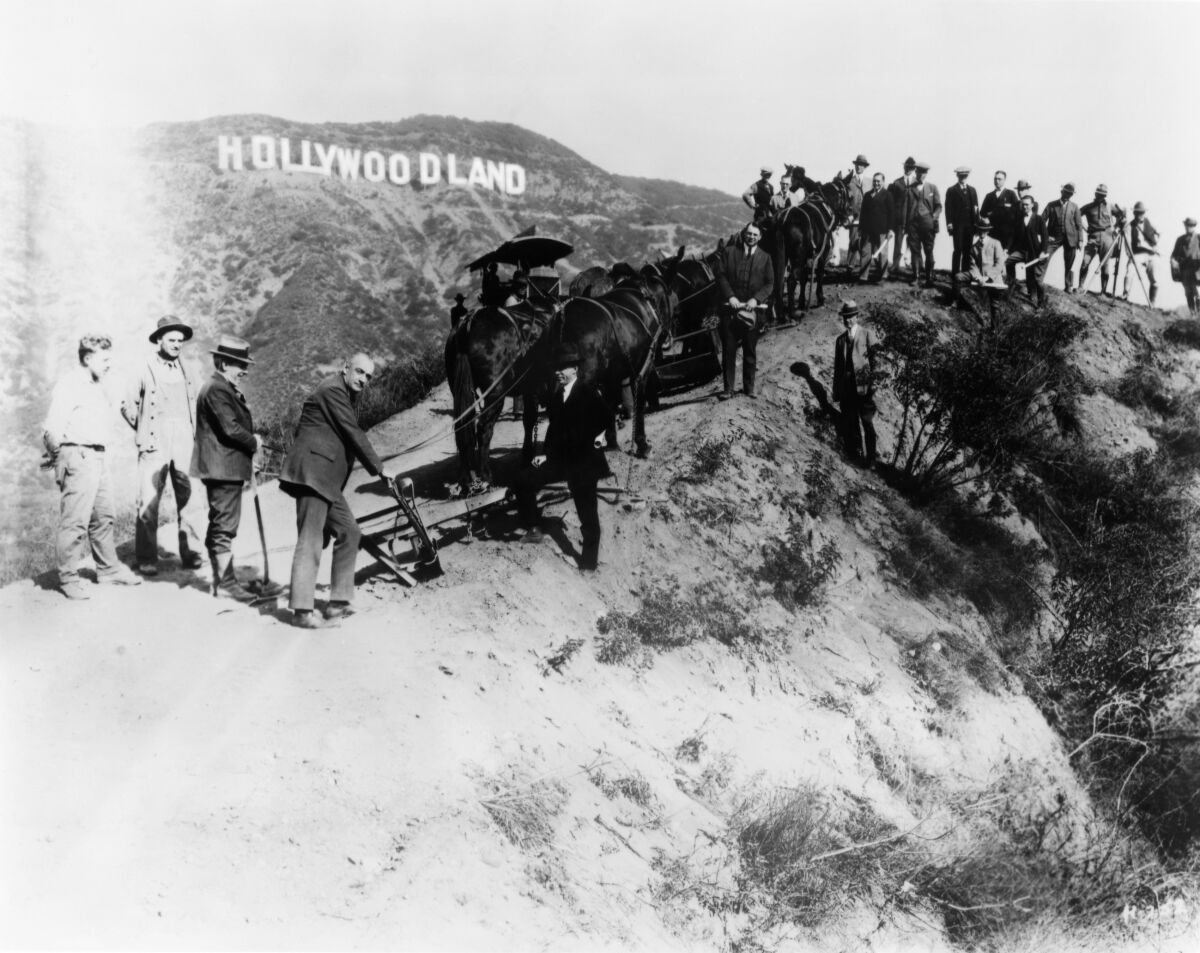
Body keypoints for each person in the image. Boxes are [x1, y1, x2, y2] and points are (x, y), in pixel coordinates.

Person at [279, 353, 390, 628]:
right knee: (311, 539)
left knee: (350, 532)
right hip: (314, 476)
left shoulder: (341, 393)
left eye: (368, 376)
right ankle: (302, 611)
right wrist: (380, 469)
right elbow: (352, 431)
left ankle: (338, 603)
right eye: (360, 372)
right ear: (345, 368)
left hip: (325, 480)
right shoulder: (332, 390)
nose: (363, 380)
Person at [43, 334, 142, 599]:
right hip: (77, 456)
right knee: (75, 521)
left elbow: (121, 406)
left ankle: (108, 570)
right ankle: (68, 578)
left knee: (104, 516)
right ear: (88, 358)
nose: (110, 364)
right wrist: (61, 458)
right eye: (105, 359)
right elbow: (52, 429)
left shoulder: (100, 384)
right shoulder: (70, 384)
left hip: (98, 456)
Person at [514, 345, 611, 572]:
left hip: (584, 462)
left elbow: (606, 417)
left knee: (587, 513)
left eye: (563, 368)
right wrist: (544, 454)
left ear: (575, 369)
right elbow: (554, 430)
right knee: (523, 479)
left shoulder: (587, 391)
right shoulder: (558, 396)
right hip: (561, 460)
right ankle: (534, 528)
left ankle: (588, 563)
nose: (558, 372)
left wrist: (592, 439)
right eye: (556, 368)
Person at [120, 315, 204, 576]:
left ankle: (191, 553)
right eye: (172, 340)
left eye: (180, 340)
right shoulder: (144, 369)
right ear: (159, 340)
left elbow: (200, 403)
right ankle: (146, 557)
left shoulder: (190, 370)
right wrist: (144, 428)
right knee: (148, 499)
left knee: (190, 498)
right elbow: (127, 404)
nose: (177, 344)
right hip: (154, 442)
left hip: (185, 441)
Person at [191, 335, 261, 602]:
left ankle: (224, 580)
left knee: (220, 524)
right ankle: (227, 585)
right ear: (223, 363)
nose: (244, 370)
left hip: (224, 466)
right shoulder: (217, 389)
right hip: (222, 469)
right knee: (224, 527)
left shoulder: (221, 387)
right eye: (238, 364)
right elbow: (231, 429)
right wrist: (254, 442)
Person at [715, 223, 774, 400]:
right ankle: (728, 389)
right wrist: (730, 296)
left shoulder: (766, 258)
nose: (751, 237)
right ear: (743, 234)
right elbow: (720, 275)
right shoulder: (729, 252)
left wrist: (755, 299)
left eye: (755, 235)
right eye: (748, 234)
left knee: (749, 350)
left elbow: (770, 283)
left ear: (760, 237)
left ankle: (749, 388)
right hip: (730, 311)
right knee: (729, 350)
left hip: (752, 313)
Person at [831, 301, 877, 465]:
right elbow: (838, 368)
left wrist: (874, 384)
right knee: (851, 420)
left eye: (850, 317)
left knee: (867, 421)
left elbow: (876, 360)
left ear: (857, 317)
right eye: (845, 317)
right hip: (847, 388)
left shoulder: (867, 334)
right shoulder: (840, 340)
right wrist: (836, 391)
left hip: (864, 387)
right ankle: (857, 453)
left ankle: (872, 458)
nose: (847, 320)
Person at [953, 217, 1007, 325]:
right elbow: (973, 265)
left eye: (985, 230)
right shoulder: (974, 247)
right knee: (958, 277)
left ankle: (994, 329)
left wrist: (987, 277)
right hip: (978, 277)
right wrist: (978, 278)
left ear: (988, 231)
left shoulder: (995, 243)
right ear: (977, 230)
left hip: (993, 277)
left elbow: (999, 264)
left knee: (994, 304)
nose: (982, 232)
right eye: (980, 229)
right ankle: (959, 304)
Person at [1006, 195, 1049, 307]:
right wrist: (1007, 249)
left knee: (1035, 278)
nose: (1025, 206)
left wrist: (1043, 251)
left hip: (1034, 253)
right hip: (1020, 251)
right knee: (1008, 261)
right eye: (1023, 204)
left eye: (1027, 204)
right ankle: (1011, 286)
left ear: (1032, 205)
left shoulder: (1038, 219)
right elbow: (1012, 235)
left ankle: (1041, 302)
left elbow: (1045, 236)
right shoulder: (1019, 218)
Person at [1043, 183, 1083, 294]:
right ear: (1061, 192)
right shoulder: (1051, 205)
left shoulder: (1074, 207)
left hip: (1071, 238)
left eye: (1070, 194)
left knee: (1070, 262)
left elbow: (1079, 225)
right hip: (1054, 237)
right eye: (1066, 193)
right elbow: (1042, 221)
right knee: (1045, 256)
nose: (1067, 195)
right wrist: (1046, 236)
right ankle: (1039, 281)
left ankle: (1068, 286)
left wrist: (1080, 240)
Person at [907, 161, 941, 288]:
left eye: (924, 172)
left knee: (929, 250)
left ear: (927, 174)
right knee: (915, 251)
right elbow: (906, 208)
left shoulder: (932, 188)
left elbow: (938, 206)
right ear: (916, 172)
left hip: (928, 225)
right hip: (913, 225)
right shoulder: (910, 188)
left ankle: (929, 278)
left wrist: (933, 217)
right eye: (920, 172)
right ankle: (915, 276)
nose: (922, 175)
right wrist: (907, 225)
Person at [856, 172, 894, 282]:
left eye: (878, 181)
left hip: (882, 230)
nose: (876, 183)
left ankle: (883, 275)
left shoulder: (887, 195)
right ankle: (863, 276)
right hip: (867, 230)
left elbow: (892, 214)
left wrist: (890, 229)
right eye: (874, 181)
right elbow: (863, 213)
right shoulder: (867, 195)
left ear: (883, 182)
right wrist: (860, 228)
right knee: (865, 252)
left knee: (882, 254)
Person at [1079, 184, 1116, 296]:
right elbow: (1077, 216)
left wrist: (1115, 228)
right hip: (1093, 237)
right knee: (1085, 262)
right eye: (1099, 194)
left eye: (1103, 195)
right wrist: (1085, 228)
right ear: (1095, 194)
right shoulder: (1089, 207)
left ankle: (1103, 292)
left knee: (1105, 265)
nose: (1101, 197)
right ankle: (1080, 287)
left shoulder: (1110, 206)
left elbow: (1122, 215)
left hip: (1107, 237)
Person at [945, 166, 979, 279]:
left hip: (970, 226)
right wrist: (949, 224)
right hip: (958, 225)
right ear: (957, 176)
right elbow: (948, 208)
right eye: (961, 175)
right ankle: (955, 274)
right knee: (958, 249)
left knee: (967, 250)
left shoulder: (972, 190)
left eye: (965, 175)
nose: (963, 177)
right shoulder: (952, 190)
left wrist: (977, 225)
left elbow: (976, 208)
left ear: (967, 176)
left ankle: (964, 274)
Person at [1124, 202, 1160, 305]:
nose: (1140, 215)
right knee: (1130, 271)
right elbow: (1127, 241)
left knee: (1155, 279)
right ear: (1134, 213)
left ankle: (1152, 303)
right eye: (1138, 212)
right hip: (1138, 253)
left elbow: (1159, 233)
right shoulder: (1129, 226)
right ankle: (1125, 294)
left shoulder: (1150, 222)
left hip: (1151, 254)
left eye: (1142, 212)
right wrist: (1129, 254)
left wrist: (1155, 244)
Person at [839, 154, 870, 269]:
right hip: (854, 217)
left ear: (865, 167)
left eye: (861, 165)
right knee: (853, 241)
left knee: (866, 242)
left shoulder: (869, 182)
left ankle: (864, 266)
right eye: (857, 165)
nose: (859, 167)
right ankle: (850, 266)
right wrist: (849, 215)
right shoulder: (849, 181)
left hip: (867, 218)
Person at [888, 157, 917, 275]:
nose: (908, 169)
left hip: (913, 219)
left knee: (913, 243)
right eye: (907, 167)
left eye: (911, 168)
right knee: (898, 243)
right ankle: (895, 266)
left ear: (914, 169)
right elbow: (892, 203)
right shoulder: (897, 183)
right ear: (903, 167)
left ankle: (912, 268)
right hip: (900, 219)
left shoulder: (917, 183)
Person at [980, 171, 1020, 250]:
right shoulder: (989, 196)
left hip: (1006, 233)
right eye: (995, 179)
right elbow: (982, 212)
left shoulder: (1011, 194)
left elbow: (1017, 212)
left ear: (1004, 180)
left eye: (999, 179)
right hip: (992, 232)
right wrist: (987, 217)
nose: (997, 181)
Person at [1170, 217, 1200, 317]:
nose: (1188, 228)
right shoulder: (1180, 240)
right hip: (1185, 270)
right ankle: (1193, 314)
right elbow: (1174, 255)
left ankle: (1199, 314)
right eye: (1187, 225)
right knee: (1188, 293)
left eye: (1191, 226)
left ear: (1194, 226)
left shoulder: (1199, 238)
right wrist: (1173, 261)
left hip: (1197, 270)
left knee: (1198, 294)